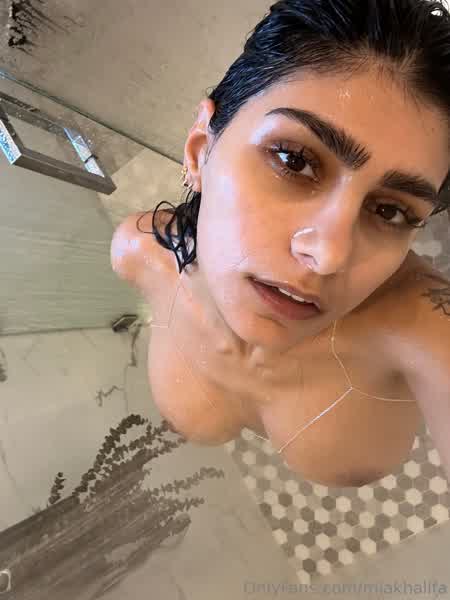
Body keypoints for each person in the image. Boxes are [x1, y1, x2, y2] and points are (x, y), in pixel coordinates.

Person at [111, 0, 450, 487]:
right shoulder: (139, 253)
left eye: (390, 211)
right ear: (200, 150)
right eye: (294, 161)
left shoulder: (424, 329)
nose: (328, 255)